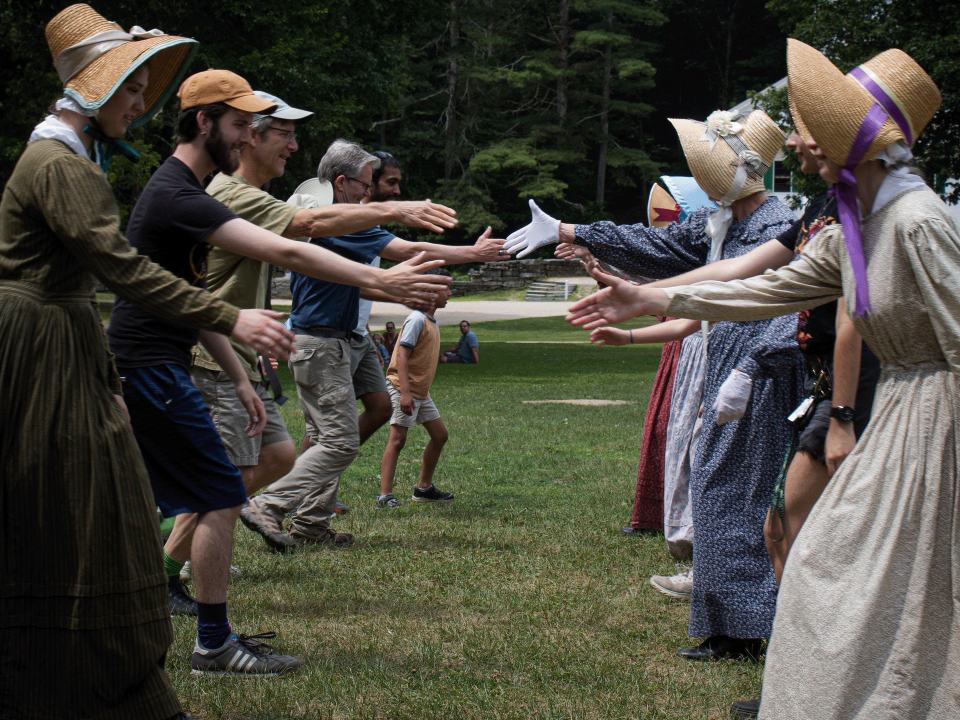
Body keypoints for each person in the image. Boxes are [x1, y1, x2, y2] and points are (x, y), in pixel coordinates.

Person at [569, 40, 950, 719]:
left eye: (813, 128)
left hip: (936, 423)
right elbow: (772, 288)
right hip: (899, 412)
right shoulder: (855, 226)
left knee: (899, 573)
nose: (799, 144)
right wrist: (652, 299)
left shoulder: (917, 222)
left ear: (854, 140)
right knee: (826, 563)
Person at [107, 70, 450, 676]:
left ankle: (182, 613)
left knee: (224, 481)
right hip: (151, 365)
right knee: (207, 491)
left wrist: (239, 372)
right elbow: (295, 245)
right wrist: (384, 277)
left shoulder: (190, 192)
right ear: (204, 123)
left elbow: (191, 290)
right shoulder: (181, 193)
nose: (249, 139)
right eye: (240, 126)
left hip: (173, 359)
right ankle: (199, 634)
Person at [0, 5, 289, 717]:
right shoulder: (60, 166)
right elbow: (122, 270)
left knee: (87, 512)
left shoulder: (69, 157)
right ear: (95, 90)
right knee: (80, 514)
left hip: (60, 344)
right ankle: (92, 683)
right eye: (132, 89)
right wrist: (230, 316)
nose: (140, 104)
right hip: (38, 353)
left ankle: (90, 681)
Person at [508, 110, 802, 661]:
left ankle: (745, 630)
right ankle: (727, 626)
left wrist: (754, 367)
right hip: (724, 369)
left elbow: (792, 303)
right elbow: (655, 246)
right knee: (715, 487)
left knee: (738, 493)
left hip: (758, 378)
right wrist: (571, 230)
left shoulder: (774, 225)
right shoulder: (721, 223)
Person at [195, 96, 457, 528]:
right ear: (246, 136)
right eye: (285, 134)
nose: (294, 146)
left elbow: (293, 251)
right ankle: (184, 557)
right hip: (225, 352)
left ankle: (289, 521)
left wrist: (387, 282)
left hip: (239, 353)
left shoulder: (257, 199)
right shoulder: (237, 196)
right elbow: (304, 237)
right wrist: (390, 248)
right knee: (244, 467)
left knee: (276, 455)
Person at [239, 139, 506, 549]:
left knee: (374, 410)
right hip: (321, 343)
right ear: (342, 183)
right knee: (339, 440)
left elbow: (358, 283)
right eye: (366, 185)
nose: (370, 193)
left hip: (346, 338)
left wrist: (398, 292)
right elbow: (408, 250)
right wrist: (471, 252)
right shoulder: (335, 222)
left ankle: (310, 526)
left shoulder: (343, 221)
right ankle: (270, 504)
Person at [378, 278, 456, 507]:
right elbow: (401, 355)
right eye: (447, 289)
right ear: (432, 293)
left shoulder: (431, 321)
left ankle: (423, 488)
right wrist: (405, 393)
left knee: (440, 435)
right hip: (403, 388)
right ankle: (385, 495)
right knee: (398, 439)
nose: (450, 293)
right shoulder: (416, 319)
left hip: (421, 392)